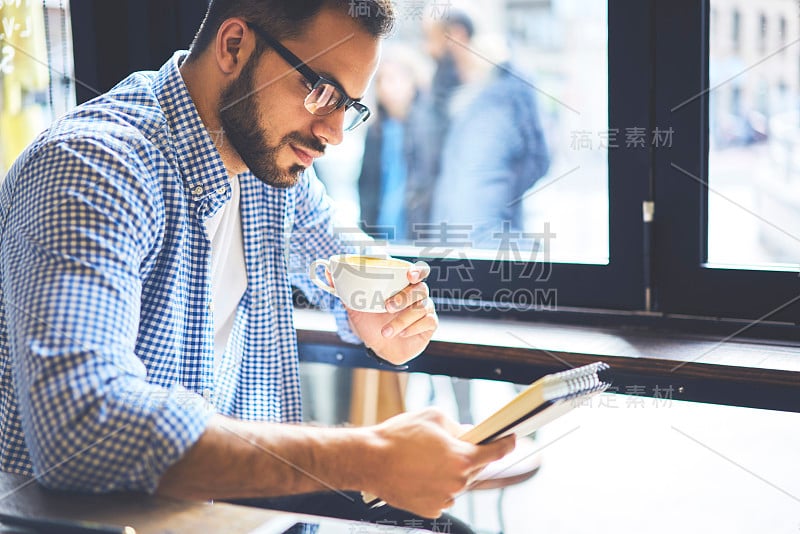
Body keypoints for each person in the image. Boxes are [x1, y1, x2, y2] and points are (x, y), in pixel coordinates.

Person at [0, 1, 515, 531]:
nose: (335, 133)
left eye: (350, 107)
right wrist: (369, 456)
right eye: (321, 91)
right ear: (233, 46)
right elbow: (84, 430)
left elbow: (341, 256)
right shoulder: (92, 167)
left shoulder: (265, 162)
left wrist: (388, 307)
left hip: (240, 514)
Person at [426, 9, 551, 250]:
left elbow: (474, 224)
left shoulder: (491, 112)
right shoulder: (462, 108)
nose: (428, 49)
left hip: (477, 259)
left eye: (431, 38)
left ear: (457, 36)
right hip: (460, 254)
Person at [357, 45, 438, 242]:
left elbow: (427, 186)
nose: (385, 87)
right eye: (380, 80)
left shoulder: (428, 127)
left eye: (393, 79)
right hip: (380, 235)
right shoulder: (376, 131)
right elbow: (366, 187)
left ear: (412, 82)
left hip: (416, 236)